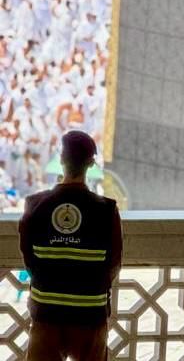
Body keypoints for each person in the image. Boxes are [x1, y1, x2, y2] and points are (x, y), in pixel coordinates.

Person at [19, 130, 122, 360]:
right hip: (90, 314)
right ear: (91, 163)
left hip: (46, 312)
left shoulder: (34, 205)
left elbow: (29, 259)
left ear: (61, 159)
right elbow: (113, 264)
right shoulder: (107, 210)